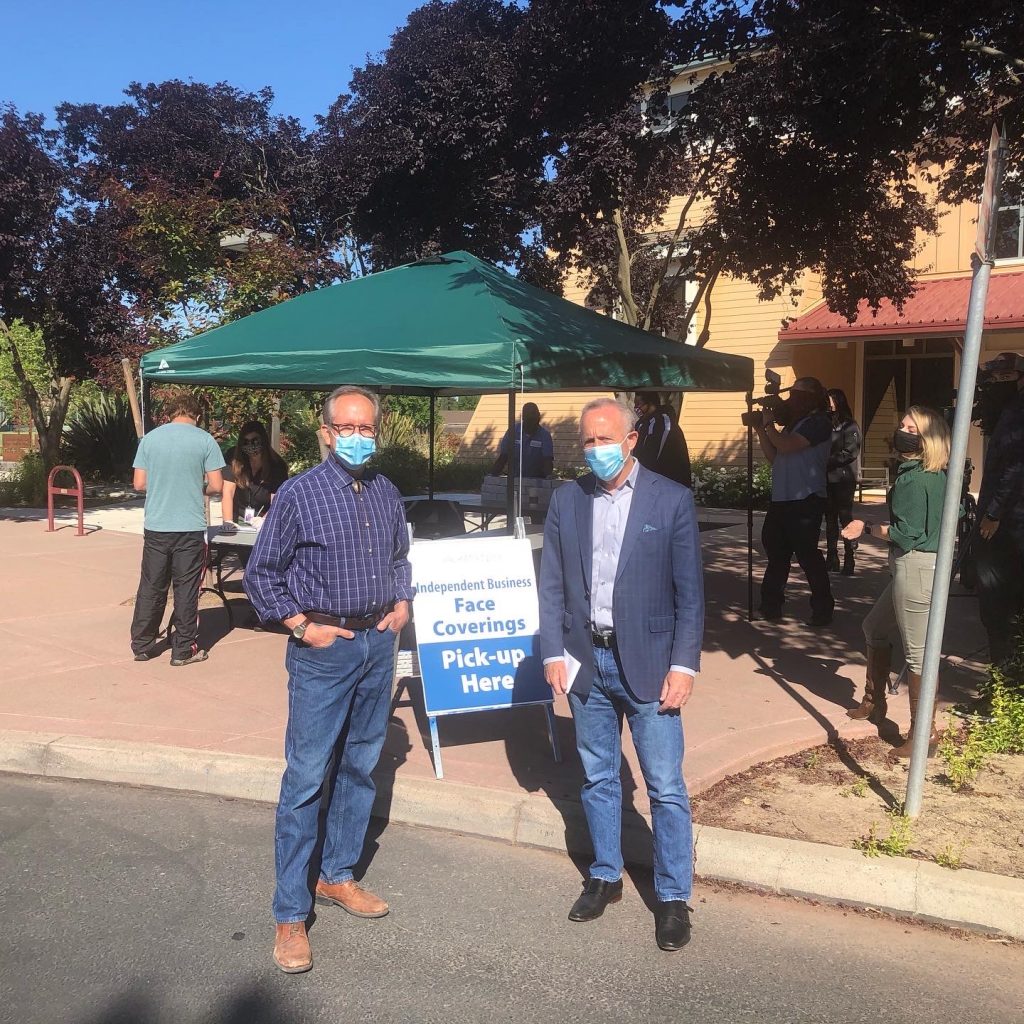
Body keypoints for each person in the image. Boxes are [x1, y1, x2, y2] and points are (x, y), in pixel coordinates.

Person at [244, 385, 413, 975]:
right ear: (326, 432)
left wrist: (402, 601)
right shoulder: (299, 495)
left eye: (368, 427)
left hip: (375, 645)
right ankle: (290, 912)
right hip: (324, 652)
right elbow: (261, 573)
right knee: (308, 776)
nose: (360, 437)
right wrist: (298, 625)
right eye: (349, 427)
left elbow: (400, 556)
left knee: (361, 764)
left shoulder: (388, 492)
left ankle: (336, 876)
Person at [539, 397, 704, 952]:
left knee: (664, 787)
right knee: (597, 777)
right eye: (588, 441)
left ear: (631, 439)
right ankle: (606, 875)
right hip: (588, 661)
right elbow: (553, 583)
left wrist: (684, 666)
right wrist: (552, 652)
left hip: (653, 666)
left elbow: (691, 595)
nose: (597, 450)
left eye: (606, 439)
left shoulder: (672, 499)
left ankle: (673, 896)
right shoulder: (568, 500)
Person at [842, 406, 951, 757]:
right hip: (921, 567)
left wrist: (867, 528)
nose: (902, 430)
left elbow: (909, 534)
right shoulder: (933, 474)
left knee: (919, 655)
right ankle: (874, 703)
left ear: (928, 439)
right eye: (902, 424)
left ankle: (924, 737)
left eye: (911, 428)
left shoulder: (915, 478)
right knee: (874, 625)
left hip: (916, 567)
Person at [130, 393, 224, 666]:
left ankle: (143, 644)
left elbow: (139, 483)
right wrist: (197, 488)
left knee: (151, 586)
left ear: (169, 415)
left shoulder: (150, 440)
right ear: (196, 416)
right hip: (189, 527)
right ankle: (184, 649)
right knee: (186, 589)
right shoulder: (205, 440)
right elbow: (217, 486)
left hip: (157, 525)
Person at [748, 376, 835, 626]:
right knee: (776, 553)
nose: (794, 398)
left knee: (808, 557)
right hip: (782, 499)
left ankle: (822, 609)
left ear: (814, 397)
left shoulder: (819, 423)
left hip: (805, 499)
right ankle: (770, 605)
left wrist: (769, 426)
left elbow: (786, 446)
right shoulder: (793, 425)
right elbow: (775, 456)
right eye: (793, 393)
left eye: (801, 394)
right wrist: (761, 430)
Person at [974, 353, 1024, 668]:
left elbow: (1015, 469)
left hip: (1008, 524)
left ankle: (1003, 683)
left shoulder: (1018, 414)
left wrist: (993, 514)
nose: (994, 383)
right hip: (1005, 519)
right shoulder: (1007, 411)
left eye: (1003, 376)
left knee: (999, 603)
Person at [220, 420, 289, 531]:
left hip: (263, 519)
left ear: (263, 441)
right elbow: (228, 491)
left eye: (255, 441)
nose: (251, 446)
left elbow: (276, 499)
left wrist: (265, 520)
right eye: (246, 442)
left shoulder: (276, 466)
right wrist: (227, 521)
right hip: (238, 517)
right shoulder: (233, 458)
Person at [824, 388, 862, 576]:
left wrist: (827, 460)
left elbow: (850, 452)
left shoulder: (850, 426)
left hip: (843, 479)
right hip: (827, 478)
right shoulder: (826, 424)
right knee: (829, 519)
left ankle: (849, 556)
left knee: (844, 517)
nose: (829, 404)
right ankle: (831, 556)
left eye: (831, 401)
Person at [634, 391, 693, 487]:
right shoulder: (642, 423)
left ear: (650, 403)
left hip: (670, 484)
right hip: (651, 483)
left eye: (639, 404)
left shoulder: (662, 422)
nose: (636, 408)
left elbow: (652, 456)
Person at [490, 401, 554, 478]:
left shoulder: (544, 435)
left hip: (536, 481)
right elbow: (503, 456)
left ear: (539, 416)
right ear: (523, 417)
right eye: (529, 417)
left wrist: (548, 477)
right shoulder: (513, 431)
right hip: (514, 480)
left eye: (534, 416)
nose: (532, 420)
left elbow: (547, 460)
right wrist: (492, 476)